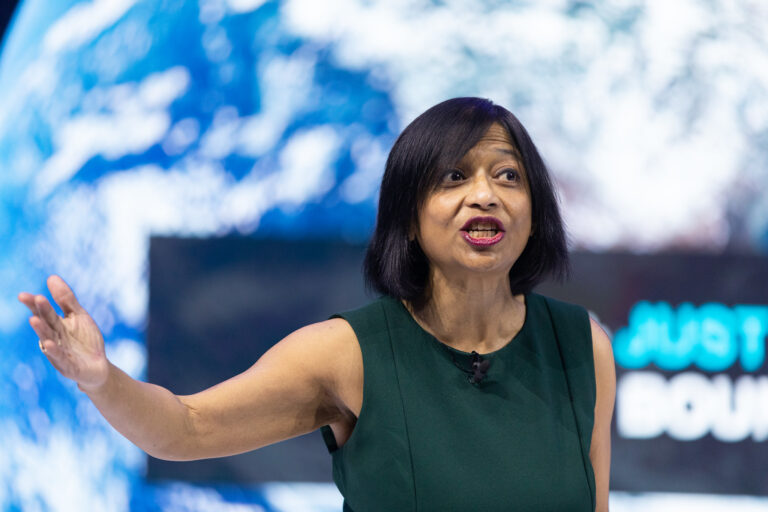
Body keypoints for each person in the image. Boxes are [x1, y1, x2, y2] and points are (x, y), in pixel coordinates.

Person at [19, 97, 615, 511]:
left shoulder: (582, 347)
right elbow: (185, 429)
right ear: (407, 218)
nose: (484, 195)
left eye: (508, 176)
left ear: (535, 214)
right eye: (454, 177)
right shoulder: (344, 354)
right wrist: (102, 381)